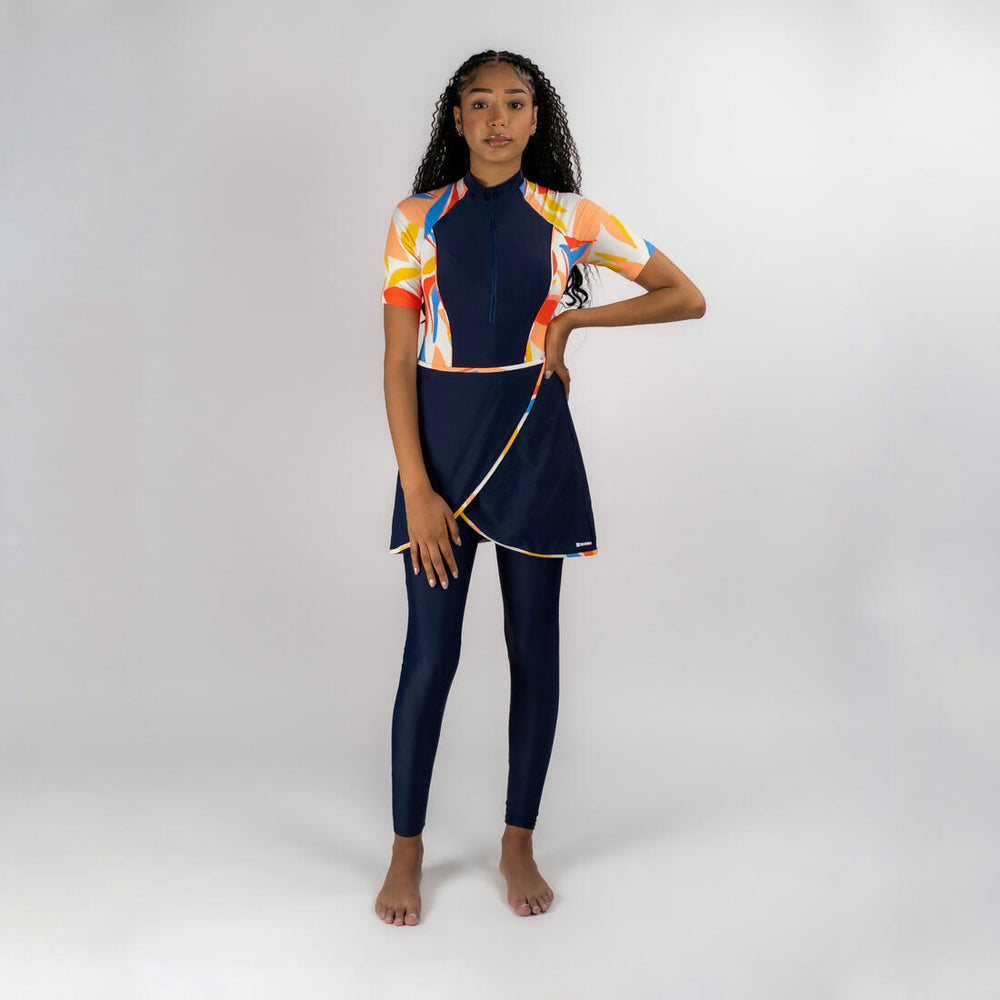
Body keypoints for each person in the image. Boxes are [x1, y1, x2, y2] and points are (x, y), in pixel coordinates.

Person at [374, 49, 706, 926]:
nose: (497, 118)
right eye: (480, 103)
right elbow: (397, 361)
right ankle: (406, 851)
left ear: (535, 118)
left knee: (533, 648)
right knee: (430, 656)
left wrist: (573, 321)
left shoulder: (570, 216)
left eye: (515, 103)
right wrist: (417, 486)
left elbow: (684, 295)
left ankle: (517, 841)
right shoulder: (416, 219)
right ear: (456, 118)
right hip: (441, 457)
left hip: (532, 447)